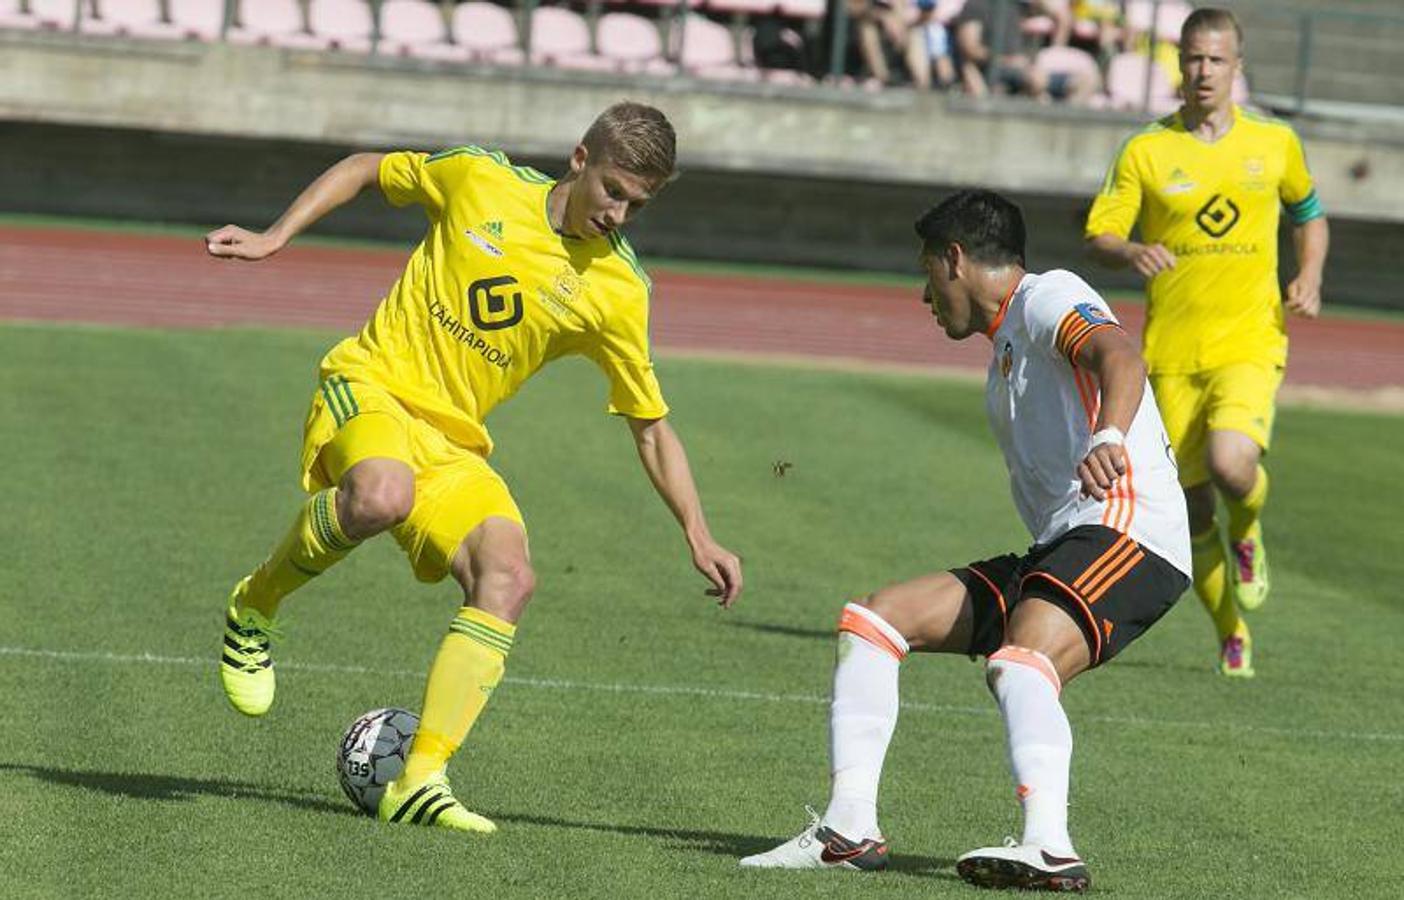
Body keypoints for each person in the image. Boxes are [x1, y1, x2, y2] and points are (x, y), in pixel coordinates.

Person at [206, 101, 743, 833]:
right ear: (580, 160)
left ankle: (420, 777)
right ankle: (255, 606)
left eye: (637, 203)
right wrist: (275, 238)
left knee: (510, 575)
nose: (619, 212)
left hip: (453, 444)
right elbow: (368, 168)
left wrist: (699, 534)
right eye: (614, 190)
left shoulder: (618, 291)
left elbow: (651, 427)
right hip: (370, 387)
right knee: (381, 494)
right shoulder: (480, 180)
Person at [739, 190, 1189, 893]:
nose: (924, 294)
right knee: (875, 618)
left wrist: (1109, 434)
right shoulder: (1006, 348)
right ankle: (846, 830)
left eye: (927, 271)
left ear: (955, 259)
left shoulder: (1047, 297)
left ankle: (1051, 846)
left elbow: (1118, 355)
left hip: (1130, 530)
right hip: (1067, 542)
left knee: (1020, 661)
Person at [1085, 7, 1329, 677]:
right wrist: (1130, 250)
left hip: (1250, 340)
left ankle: (1247, 531)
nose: (1202, 71)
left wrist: (1307, 275)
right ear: (1180, 63)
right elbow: (1100, 234)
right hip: (1170, 356)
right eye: (1192, 58)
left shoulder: (1274, 144)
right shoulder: (1146, 150)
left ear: (1236, 68)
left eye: (1215, 60)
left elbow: (1310, 215)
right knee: (1191, 513)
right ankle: (1231, 631)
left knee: (1231, 466)